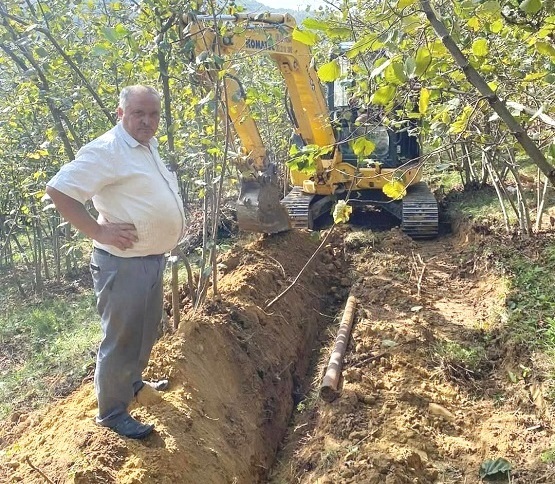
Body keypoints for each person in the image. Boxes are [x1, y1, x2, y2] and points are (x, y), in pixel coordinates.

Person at [46, 85, 186, 439]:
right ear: (120, 113)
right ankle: (111, 412)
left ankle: (133, 383)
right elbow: (59, 190)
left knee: (144, 330)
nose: (147, 121)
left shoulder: (146, 146)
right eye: (138, 113)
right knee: (122, 338)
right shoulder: (108, 150)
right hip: (122, 264)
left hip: (150, 259)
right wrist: (98, 231)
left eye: (153, 114)